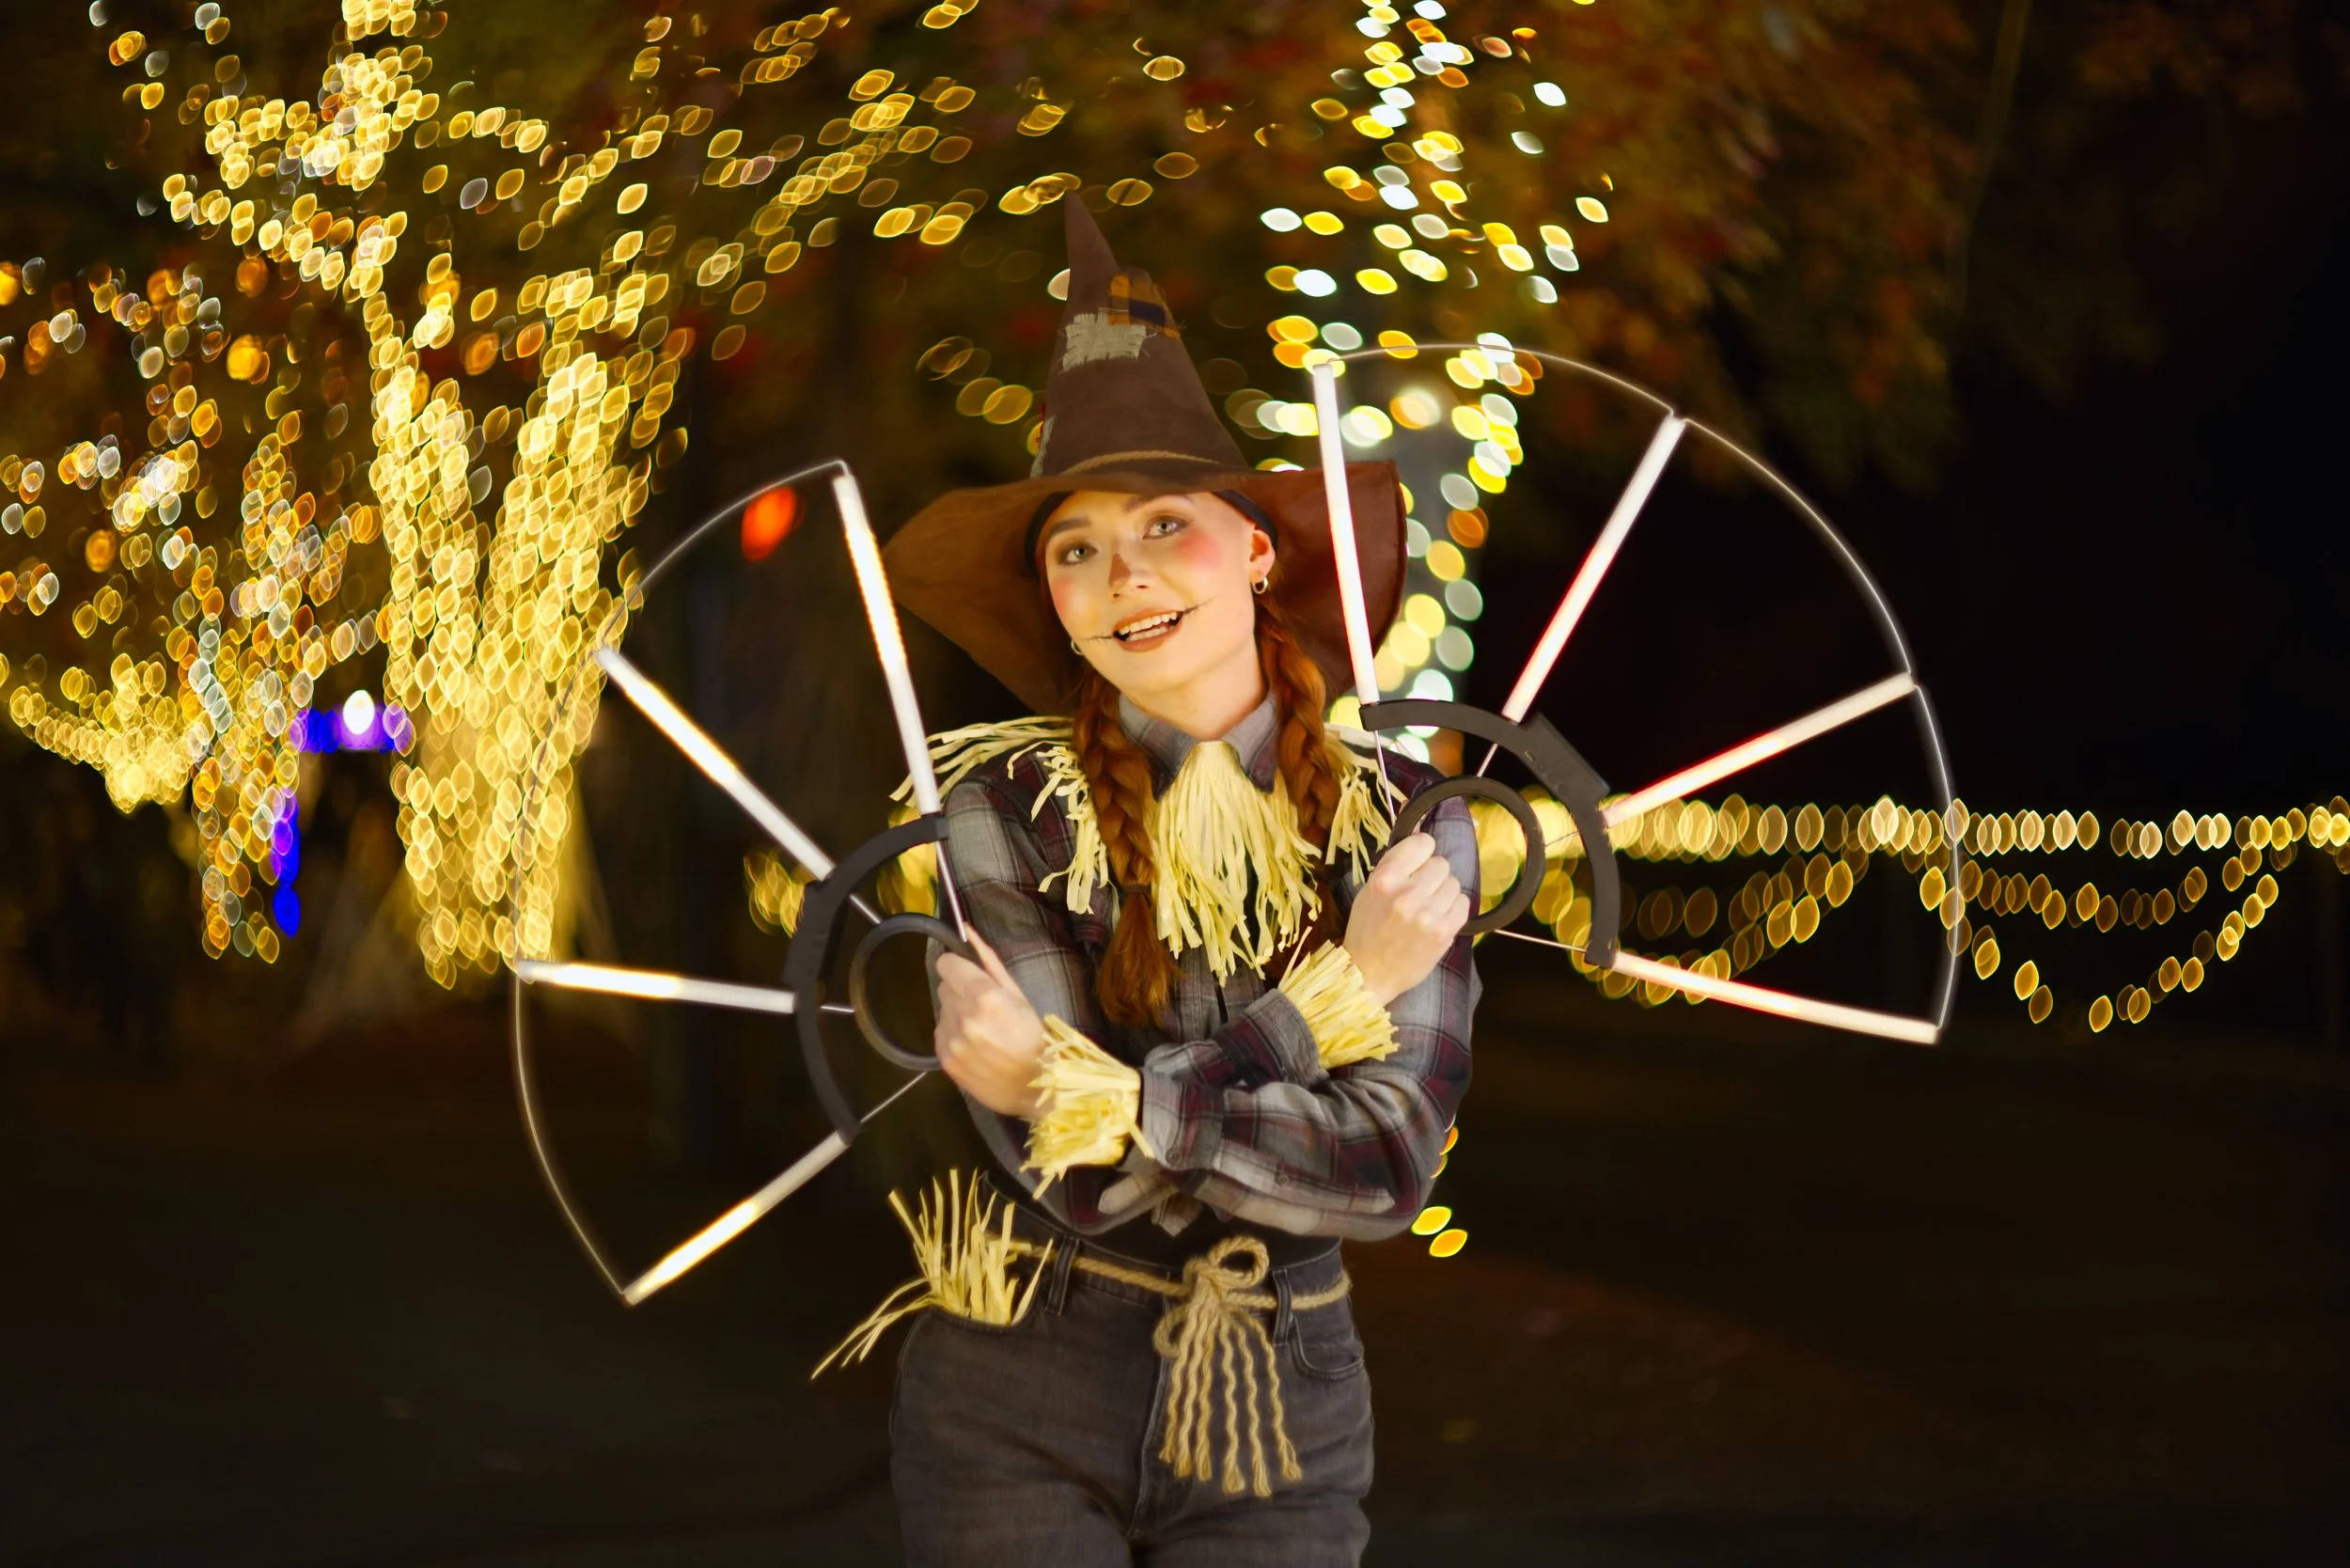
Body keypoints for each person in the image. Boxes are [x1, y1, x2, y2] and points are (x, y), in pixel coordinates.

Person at [870, 199, 1480, 1566]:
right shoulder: (1001, 811)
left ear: (1257, 551)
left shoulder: (1400, 817)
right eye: (1074, 547)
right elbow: (1073, 1184)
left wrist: (1104, 1092)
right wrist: (1330, 1006)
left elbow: (1386, 1169)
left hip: (1284, 1395)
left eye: (1163, 525)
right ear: (1057, 602)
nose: (1122, 572)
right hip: (1018, 1371)